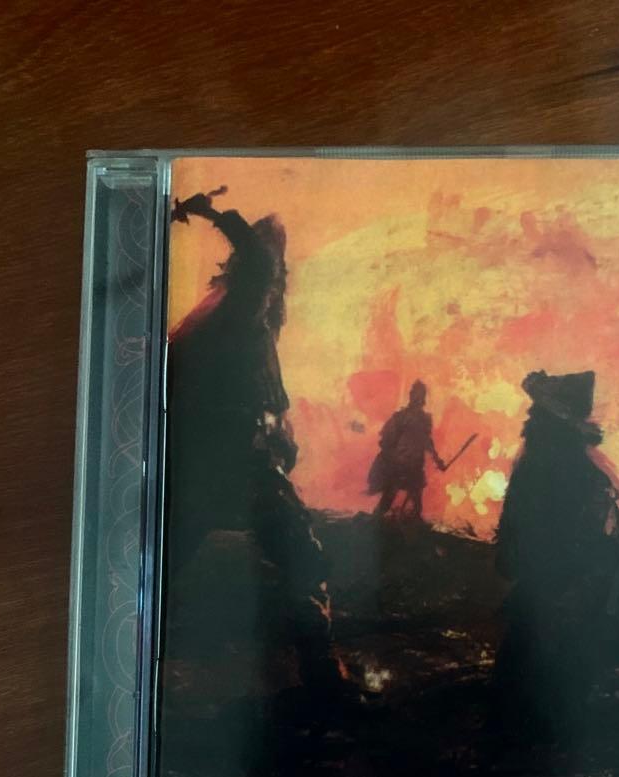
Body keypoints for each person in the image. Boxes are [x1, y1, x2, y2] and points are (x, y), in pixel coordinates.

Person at [166, 189, 337, 690]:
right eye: (273, 258)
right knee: (304, 558)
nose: (277, 270)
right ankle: (323, 681)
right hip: (238, 460)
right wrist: (214, 213)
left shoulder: (227, 311)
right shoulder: (241, 304)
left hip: (215, 459)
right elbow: (260, 264)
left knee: (169, 551)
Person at [495, 370, 619, 711]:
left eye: (537, 414)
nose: (530, 420)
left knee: (545, 665)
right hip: (564, 581)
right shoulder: (571, 464)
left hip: (564, 583)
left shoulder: (551, 463)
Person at [368, 380, 446, 520]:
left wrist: (437, 459)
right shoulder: (400, 417)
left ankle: (412, 527)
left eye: (420, 394)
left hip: (416, 466)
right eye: (415, 394)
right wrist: (391, 457)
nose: (417, 397)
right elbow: (386, 441)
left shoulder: (425, 419)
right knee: (388, 499)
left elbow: (427, 441)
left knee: (417, 506)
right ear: (411, 395)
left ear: (423, 397)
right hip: (399, 465)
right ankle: (375, 521)